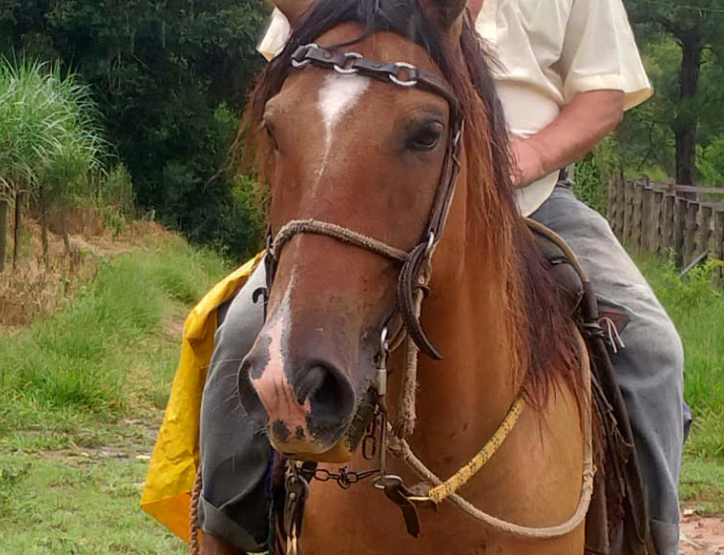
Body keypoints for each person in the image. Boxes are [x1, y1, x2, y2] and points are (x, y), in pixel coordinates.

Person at [198, 1, 690, 554]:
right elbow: (299, 71)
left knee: (650, 351)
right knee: (243, 333)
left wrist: (524, 158)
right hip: (372, 195)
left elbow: (602, 97)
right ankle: (226, 537)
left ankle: (652, 541)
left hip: (534, 196)